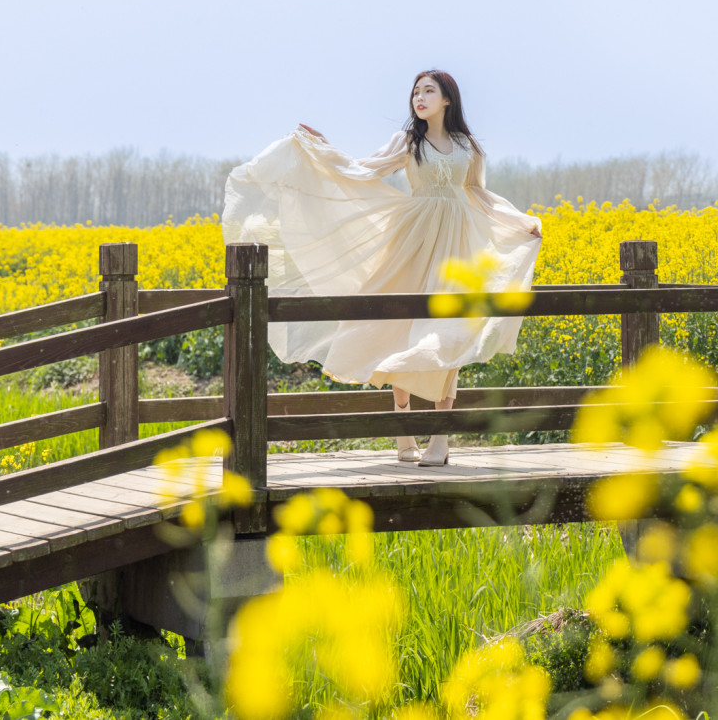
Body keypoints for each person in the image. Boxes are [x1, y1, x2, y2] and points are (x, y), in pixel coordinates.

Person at [221, 70, 542, 467]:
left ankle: (440, 437)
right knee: (397, 328)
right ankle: (403, 429)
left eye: (429, 91)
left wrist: (520, 222)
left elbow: (477, 193)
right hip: (412, 240)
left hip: (456, 247)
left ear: (447, 100)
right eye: (415, 93)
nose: (419, 98)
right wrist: (322, 151)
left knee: (452, 333)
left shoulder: (468, 146)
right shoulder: (409, 141)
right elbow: (364, 170)